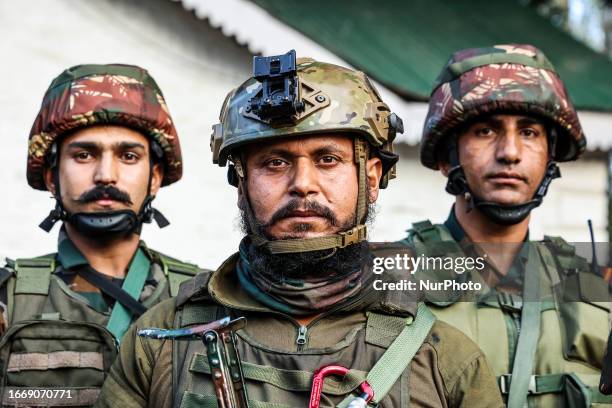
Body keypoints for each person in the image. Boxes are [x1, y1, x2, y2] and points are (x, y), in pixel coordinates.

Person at [96, 51, 503, 408]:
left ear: (372, 177)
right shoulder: (164, 339)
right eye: (274, 162)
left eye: (327, 159)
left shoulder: (443, 357)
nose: (302, 183)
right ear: (240, 184)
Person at [399, 44, 612, 407]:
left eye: (529, 132)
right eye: (485, 131)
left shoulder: (592, 287)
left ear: (550, 156)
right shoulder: (391, 281)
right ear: (446, 158)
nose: (510, 152)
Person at [0, 64, 202, 406]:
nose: (106, 175)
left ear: (154, 177)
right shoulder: (9, 298)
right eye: (83, 154)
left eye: (128, 156)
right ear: (52, 177)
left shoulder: (201, 302)